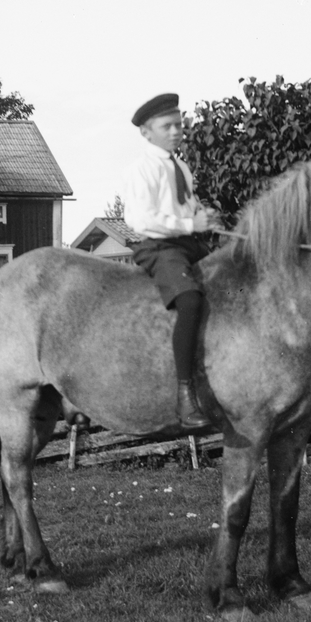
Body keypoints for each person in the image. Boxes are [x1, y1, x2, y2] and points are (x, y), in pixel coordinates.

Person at [123, 92, 221, 432]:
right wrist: (189, 224)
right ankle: (184, 395)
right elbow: (141, 219)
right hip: (159, 246)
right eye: (167, 126)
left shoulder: (180, 166)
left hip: (187, 242)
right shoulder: (142, 169)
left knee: (231, 283)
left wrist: (202, 214)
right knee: (190, 300)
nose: (177, 131)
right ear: (146, 133)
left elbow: (187, 205)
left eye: (179, 125)